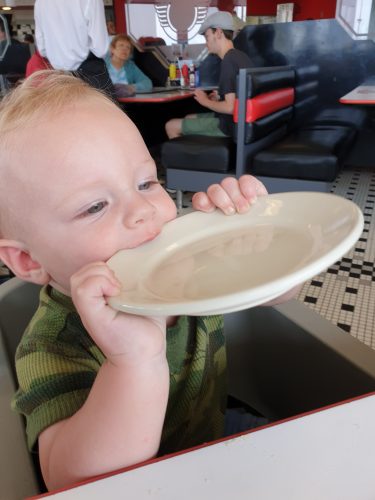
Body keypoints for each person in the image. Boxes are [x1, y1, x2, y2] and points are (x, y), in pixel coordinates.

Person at [0, 70, 296, 491]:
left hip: (214, 435)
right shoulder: (53, 343)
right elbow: (70, 480)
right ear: (28, 260)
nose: (143, 210)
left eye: (146, 181)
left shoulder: (187, 269)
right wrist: (136, 361)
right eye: (94, 206)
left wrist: (261, 250)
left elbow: (284, 294)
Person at [165, 11, 251, 139]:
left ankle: (189, 158)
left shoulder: (228, 61)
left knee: (170, 125)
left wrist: (205, 101)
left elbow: (230, 107)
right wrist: (219, 96)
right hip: (239, 122)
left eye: (207, 37)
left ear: (218, 33)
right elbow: (239, 96)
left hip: (228, 126)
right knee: (189, 117)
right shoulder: (240, 56)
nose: (206, 43)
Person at [34, 0, 115, 98]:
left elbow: (42, 49)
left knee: (64, 113)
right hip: (90, 73)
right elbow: (100, 49)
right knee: (104, 112)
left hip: (58, 76)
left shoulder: (40, 2)